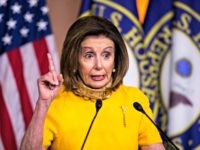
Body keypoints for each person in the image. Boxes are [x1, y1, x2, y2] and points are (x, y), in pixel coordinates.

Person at [20, 15, 165, 150]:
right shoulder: (55, 101)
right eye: (89, 55)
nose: (99, 65)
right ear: (74, 60)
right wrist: (43, 104)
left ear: (116, 60)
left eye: (106, 55)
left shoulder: (135, 101)